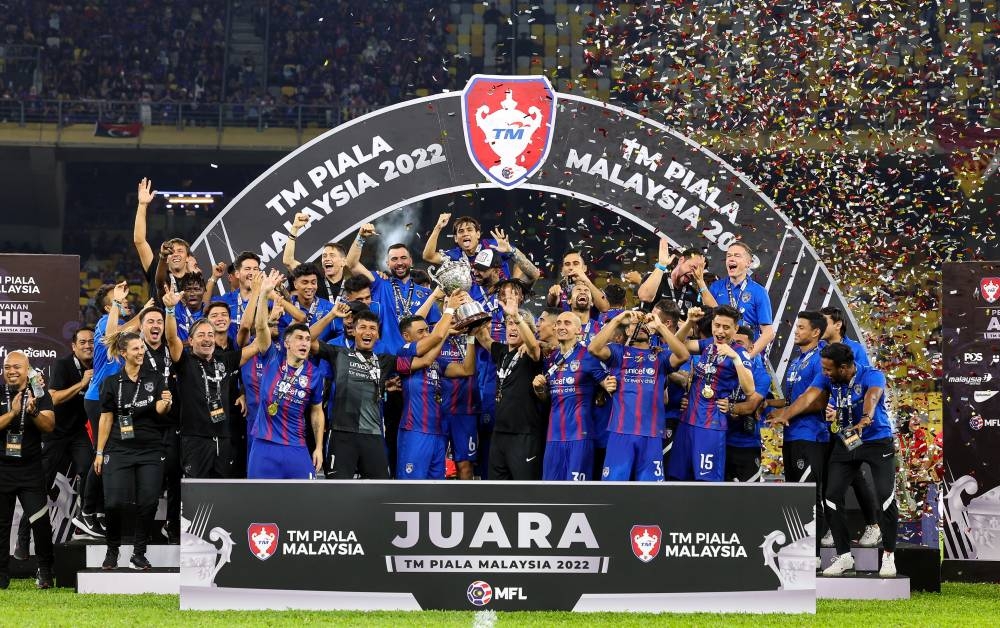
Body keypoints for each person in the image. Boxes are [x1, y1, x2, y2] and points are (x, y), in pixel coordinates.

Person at [777, 343, 898, 578]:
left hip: (876, 441)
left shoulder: (872, 375)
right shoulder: (827, 377)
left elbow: (872, 396)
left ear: (844, 368)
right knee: (831, 497)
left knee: (885, 497)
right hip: (847, 440)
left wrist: (865, 419)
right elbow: (808, 396)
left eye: (828, 369)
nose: (824, 373)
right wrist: (785, 415)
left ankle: (889, 557)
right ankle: (844, 557)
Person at [94, 332, 172, 571]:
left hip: (149, 449)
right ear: (123, 353)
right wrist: (99, 452)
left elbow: (160, 409)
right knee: (114, 503)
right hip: (118, 449)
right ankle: (112, 550)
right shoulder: (110, 383)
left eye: (142, 348)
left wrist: (166, 403)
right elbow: (106, 419)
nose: (140, 352)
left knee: (148, 503)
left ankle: (139, 553)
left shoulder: (156, 378)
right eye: (136, 349)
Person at [14, 327, 94, 559]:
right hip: (55, 434)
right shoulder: (63, 365)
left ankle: (84, 519)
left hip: (77, 433)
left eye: (91, 342)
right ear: (73, 346)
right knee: (39, 486)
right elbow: (54, 397)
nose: (88, 345)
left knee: (90, 470)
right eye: (83, 342)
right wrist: (81, 385)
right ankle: (22, 537)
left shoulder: (97, 366)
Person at [589, 310, 689, 482]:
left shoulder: (660, 356)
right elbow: (593, 348)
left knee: (651, 492)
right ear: (627, 331)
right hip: (621, 432)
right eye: (636, 324)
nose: (641, 326)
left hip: (652, 433)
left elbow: (683, 355)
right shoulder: (618, 352)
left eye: (645, 324)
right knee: (614, 487)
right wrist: (619, 319)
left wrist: (659, 326)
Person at [247, 269, 327, 479]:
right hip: (265, 445)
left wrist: (318, 447)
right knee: (259, 505)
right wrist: (264, 294)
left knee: (305, 504)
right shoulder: (273, 357)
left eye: (308, 340)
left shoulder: (314, 374)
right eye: (299, 338)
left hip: (296, 446)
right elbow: (261, 327)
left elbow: (317, 411)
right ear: (287, 342)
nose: (305, 343)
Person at [163, 287, 245, 478]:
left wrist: (263, 295)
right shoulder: (184, 361)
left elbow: (259, 345)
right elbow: (171, 338)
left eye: (210, 335)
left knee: (222, 495)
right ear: (190, 340)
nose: (207, 339)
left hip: (224, 439)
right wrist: (169, 311)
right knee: (197, 495)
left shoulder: (224, 360)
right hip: (195, 439)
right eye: (201, 335)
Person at [668, 305, 756, 482]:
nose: (720, 331)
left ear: (735, 329)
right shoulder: (708, 345)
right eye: (717, 325)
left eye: (726, 327)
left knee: (706, 483)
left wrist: (735, 358)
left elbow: (749, 390)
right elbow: (676, 346)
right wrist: (689, 323)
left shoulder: (740, 353)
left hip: (710, 426)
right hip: (687, 421)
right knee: (677, 479)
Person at [819, 305, 881, 547]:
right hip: (828, 425)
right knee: (832, 476)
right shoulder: (820, 350)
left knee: (854, 474)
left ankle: (873, 525)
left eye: (824, 322)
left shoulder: (854, 349)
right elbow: (829, 386)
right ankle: (835, 529)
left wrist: (855, 416)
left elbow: (860, 383)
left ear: (838, 324)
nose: (820, 327)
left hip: (851, 427)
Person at [767, 312, 829, 554]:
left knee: (809, 496)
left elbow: (818, 401)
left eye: (801, 327)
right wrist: (771, 407)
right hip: (792, 436)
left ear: (815, 332)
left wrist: (787, 414)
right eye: (796, 327)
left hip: (811, 435)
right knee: (796, 495)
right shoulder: (796, 361)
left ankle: (812, 554)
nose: (796, 331)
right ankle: (800, 548)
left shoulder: (820, 359)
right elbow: (793, 400)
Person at [395, 298, 473, 480]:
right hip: (415, 431)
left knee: (435, 490)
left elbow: (467, 369)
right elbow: (433, 346)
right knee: (411, 489)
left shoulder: (438, 362)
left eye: (427, 330)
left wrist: (471, 337)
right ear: (407, 336)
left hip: (439, 432)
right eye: (421, 332)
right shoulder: (405, 351)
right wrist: (450, 309)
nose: (426, 334)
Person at [314, 310, 397, 479]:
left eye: (373, 328)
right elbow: (309, 338)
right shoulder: (339, 354)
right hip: (341, 433)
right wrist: (331, 315)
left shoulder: (385, 361)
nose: (368, 332)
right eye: (363, 327)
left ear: (378, 333)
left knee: (379, 491)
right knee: (337, 492)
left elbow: (423, 360)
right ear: (354, 331)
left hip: (372, 434)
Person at [75, 282, 130, 538]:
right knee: (103, 454)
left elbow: (133, 326)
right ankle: (86, 512)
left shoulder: (123, 327)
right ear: (109, 306)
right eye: (118, 298)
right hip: (98, 399)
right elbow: (111, 337)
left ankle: (97, 512)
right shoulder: (104, 323)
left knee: (110, 455)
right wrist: (118, 304)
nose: (125, 299)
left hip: (113, 399)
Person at [0, 351, 56, 589]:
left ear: (27, 369)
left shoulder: (39, 393)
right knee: (1, 526)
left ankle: (45, 570)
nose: (11, 371)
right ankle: (2, 575)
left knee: (41, 523)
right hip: (2, 468)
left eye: (17, 367)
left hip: (31, 469)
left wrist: (32, 412)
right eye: (7, 367)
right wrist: (13, 412)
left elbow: (50, 426)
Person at [529, 312, 607, 481]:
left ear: (579, 330)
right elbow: (547, 399)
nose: (561, 327)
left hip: (580, 435)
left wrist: (607, 386)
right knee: (550, 491)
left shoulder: (589, 356)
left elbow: (608, 386)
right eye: (558, 323)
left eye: (567, 323)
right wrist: (539, 389)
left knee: (576, 493)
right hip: (553, 436)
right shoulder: (551, 360)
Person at [474, 298, 545, 480]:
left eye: (517, 325)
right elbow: (483, 337)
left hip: (524, 434)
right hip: (499, 433)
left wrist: (516, 315)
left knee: (524, 490)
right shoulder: (502, 351)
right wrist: (467, 304)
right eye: (509, 324)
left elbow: (534, 346)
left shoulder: (529, 353)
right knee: (498, 489)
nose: (512, 328)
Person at [344, 224, 440, 353]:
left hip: (418, 358)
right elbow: (352, 264)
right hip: (387, 358)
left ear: (411, 261)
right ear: (387, 263)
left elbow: (435, 329)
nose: (399, 263)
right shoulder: (380, 283)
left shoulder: (427, 293)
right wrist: (360, 237)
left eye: (403, 258)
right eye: (394, 259)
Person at [701, 242, 774, 359]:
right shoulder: (715, 287)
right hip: (719, 354)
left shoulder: (758, 292)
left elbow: (768, 333)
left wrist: (747, 357)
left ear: (748, 263)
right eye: (729, 256)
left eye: (737, 255)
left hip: (745, 352)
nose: (731, 259)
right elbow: (706, 324)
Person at [422, 213, 539, 283]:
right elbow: (429, 256)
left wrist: (512, 252)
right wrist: (438, 227)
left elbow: (525, 266)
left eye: (469, 230)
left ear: (478, 234)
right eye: (461, 231)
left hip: (502, 303)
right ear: (456, 239)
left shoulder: (492, 245)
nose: (465, 234)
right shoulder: (454, 255)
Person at [723, 325, 771, 482]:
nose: (735, 347)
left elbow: (751, 406)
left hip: (746, 444)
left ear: (751, 348)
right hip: (719, 440)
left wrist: (730, 407)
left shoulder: (761, 376)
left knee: (749, 498)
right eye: (733, 343)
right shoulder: (721, 368)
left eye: (740, 343)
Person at [133, 178, 191, 303]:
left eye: (180, 251)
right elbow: (139, 241)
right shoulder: (155, 270)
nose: (175, 254)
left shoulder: (194, 282)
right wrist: (142, 205)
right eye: (171, 251)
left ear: (188, 258)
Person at [282, 212, 350, 303]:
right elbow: (288, 261)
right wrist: (294, 229)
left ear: (344, 261)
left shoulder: (351, 287)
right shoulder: (314, 280)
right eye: (324, 256)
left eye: (332, 255)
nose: (327, 258)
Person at [636, 238, 709, 318]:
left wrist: (701, 281)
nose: (693, 273)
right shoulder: (656, 278)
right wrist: (661, 265)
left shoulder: (694, 294)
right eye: (693, 267)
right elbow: (644, 296)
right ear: (681, 260)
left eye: (699, 271)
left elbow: (711, 316)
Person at [278, 262, 334, 341]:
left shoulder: (329, 308)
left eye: (313, 282)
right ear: (295, 284)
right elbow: (279, 339)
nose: (310, 287)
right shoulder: (284, 308)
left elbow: (340, 335)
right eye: (305, 282)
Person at [218, 251, 262, 326]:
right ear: (237, 274)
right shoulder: (225, 300)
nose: (252, 273)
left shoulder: (268, 298)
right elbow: (205, 312)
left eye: (255, 269)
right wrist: (214, 278)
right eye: (247, 269)